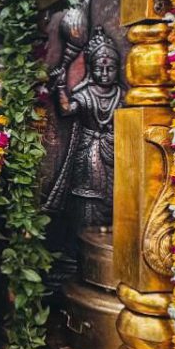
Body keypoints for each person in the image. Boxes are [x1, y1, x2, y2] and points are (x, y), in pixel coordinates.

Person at [44, 27, 122, 231]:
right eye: (99, 68)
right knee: (87, 199)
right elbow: (67, 110)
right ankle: (83, 238)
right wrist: (61, 87)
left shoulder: (120, 95)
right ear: (90, 68)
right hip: (88, 153)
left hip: (114, 152)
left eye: (110, 68)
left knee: (113, 196)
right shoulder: (85, 94)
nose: (104, 74)